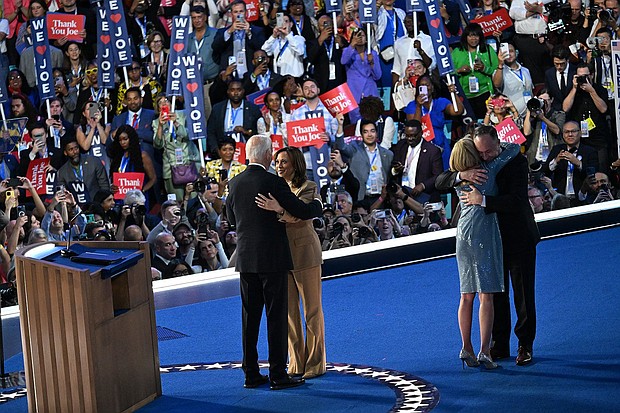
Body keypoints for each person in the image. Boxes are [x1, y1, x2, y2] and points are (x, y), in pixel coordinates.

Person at [436, 125, 540, 366]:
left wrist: (481, 199)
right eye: (480, 153)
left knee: (523, 294)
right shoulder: (475, 166)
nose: (485, 157)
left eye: (489, 152)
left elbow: (516, 201)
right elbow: (441, 180)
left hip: (517, 236)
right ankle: (499, 345)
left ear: (498, 143)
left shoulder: (515, 160)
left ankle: (525, 344)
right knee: (495, 293)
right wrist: (462, 175)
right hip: (487, 239)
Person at [226, 134, 322, 390]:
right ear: (268, 156)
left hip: (246, 261)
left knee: (250, 318)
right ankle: (278, 375)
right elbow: (302, 211)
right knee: (276, 317)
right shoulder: (273, 182)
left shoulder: (234, 183)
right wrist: (318, 206)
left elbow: (230, 219)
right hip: (274, 260)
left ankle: (251, 374)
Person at [449, 135, 519, 369]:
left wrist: (460, 173)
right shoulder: (486, 171)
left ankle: (465, 347)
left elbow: (442, 180)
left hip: (462, 234)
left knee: (466, 295)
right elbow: (514, 148)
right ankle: (485, 351)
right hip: (482, 233)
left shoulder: (459, 179)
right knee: (485, 295)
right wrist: (493, 145)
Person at [256, 147, 326, 379]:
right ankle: (296, 363)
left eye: (284, 161)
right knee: (288, 313)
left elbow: (302, 214)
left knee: (312, 311)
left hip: (305, 254)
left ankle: (316, 364)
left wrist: (279, 209)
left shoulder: (308, 187)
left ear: (295, 164)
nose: (279, 165)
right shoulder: (273, 187)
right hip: (281, 256)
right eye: (277, 161)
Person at [452, 23, 498, 120]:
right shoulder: (457, 52)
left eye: (476, 35)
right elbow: (449, 73)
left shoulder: (487, 49)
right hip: (465, 96)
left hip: (485, 93)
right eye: (470, 36)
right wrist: (459, 70)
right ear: (465, 37)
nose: (474, 39)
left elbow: (497, 70)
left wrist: (484, 69)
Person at [341, 28, 381, 123]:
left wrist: (372, 63)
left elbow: (378, 76)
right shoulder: (348, 51)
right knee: (356, 123)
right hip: (354, 92)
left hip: (370, 91)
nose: (360, 38)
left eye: (362, 35)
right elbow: (343, 61)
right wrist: (352, 45)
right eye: (357, 36)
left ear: (366, 39)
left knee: (373, 121)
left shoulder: (372, 53)